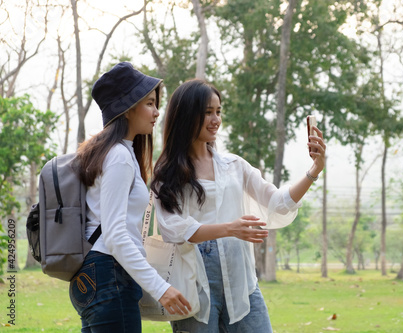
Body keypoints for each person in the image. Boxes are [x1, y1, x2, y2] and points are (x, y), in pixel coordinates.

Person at [151, 79, 326, 333]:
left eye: (219, 112)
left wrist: (314, 169)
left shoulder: (234, 166)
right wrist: (230, 229)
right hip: (194, 287)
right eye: (207, 112)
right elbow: (173, 229)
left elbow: (277, 202)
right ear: (188, 115)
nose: (216, 120)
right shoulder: (168, 174)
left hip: (242, 286)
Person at [69, 62, 191, 333]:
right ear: (126, 108)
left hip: (93, 276)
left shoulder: (110, 152)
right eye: (149, 103)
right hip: (109, 276)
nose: (157, 112)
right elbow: (115, 235)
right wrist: (161, 288)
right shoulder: (120, 157)